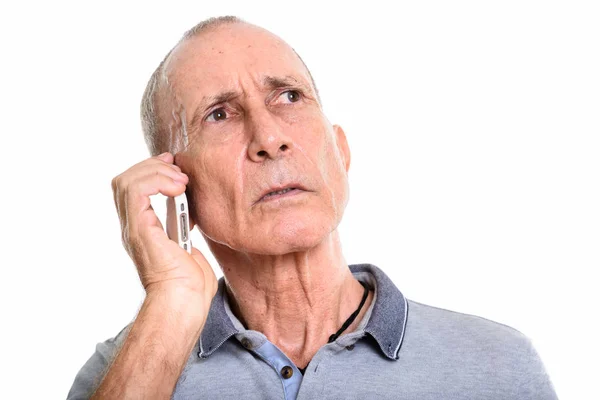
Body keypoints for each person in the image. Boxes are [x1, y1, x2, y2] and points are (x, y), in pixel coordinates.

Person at [67, 16, 558, 399]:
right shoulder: (120, 373)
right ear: (176, 190)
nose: (269, 138)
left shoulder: (499, 366)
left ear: (339, 153)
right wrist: (170, 302)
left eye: (288, 96)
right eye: (220, 114)